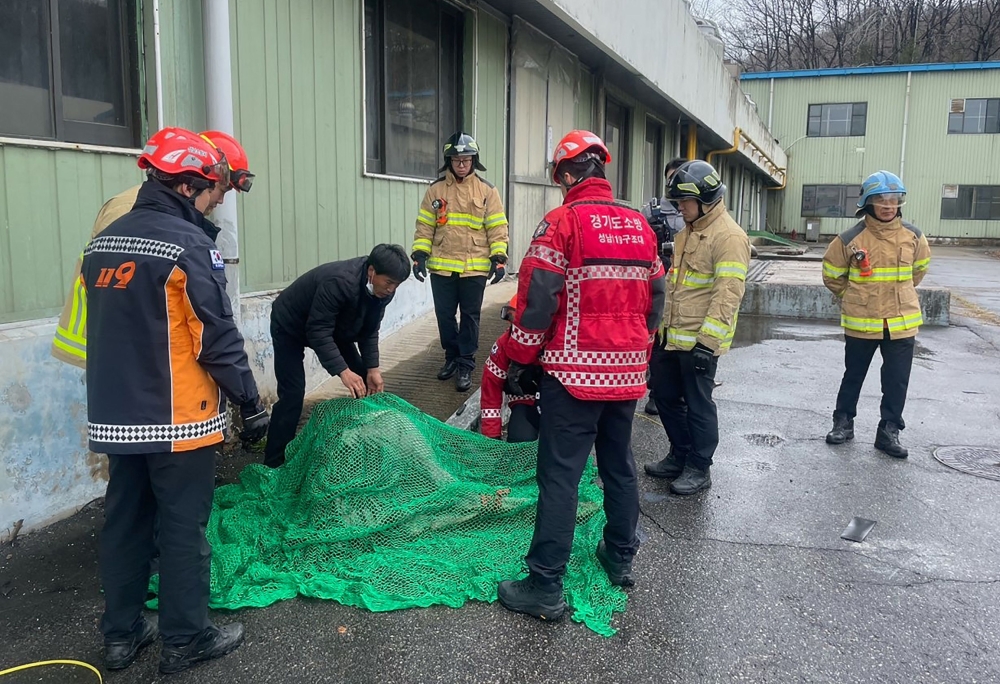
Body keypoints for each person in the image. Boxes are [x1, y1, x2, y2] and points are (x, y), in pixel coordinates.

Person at [82, 128, 269, 675]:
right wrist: (249, 403)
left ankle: (121, 636)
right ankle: (186, 639)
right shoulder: (187, 247)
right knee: (184, 528)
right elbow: (216, 337)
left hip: (116, 417)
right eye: (214, 190)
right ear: (189, 186)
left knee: (125, 522)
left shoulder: (102, 243)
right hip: (179, 419)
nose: (218, 200)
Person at [496, 130, 665, 621]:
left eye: (560, 177)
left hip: (572, 374)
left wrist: (519, 362)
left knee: (560, 477)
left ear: (568, 175)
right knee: (619, 466)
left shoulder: (561, 222)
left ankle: (545, 585)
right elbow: (656, 300)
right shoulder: (639, 224)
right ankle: (619, 556)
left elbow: (535, 305)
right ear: (602, 169)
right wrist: (637, 349)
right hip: (627, 373)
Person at [52, 128, 255, 368]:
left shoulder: (168, 215)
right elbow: (128, 290)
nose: (220, 200)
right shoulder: (131, 210)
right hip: (108, 346)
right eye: (221, 189)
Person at [644, 160, 750, 495]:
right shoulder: (689, 231)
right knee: (664, 397)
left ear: (706, 199)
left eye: (684, 202)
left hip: (698, 342)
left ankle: (699, 467)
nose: (679, 208)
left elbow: (727, 293)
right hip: (671, 337)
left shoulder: (729, 237)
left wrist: (707, 343)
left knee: (698, 404)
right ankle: (680, 454)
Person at [263, 244, 411, 467]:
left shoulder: (382, 292)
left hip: (334, 329)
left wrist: (373, 369)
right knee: (292, 394)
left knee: (365, 381)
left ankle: (367, 446)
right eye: (388, 282)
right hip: (290, 325)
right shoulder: (340, 282)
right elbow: (318, 330)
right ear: (372, 271)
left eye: (396, 285)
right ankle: (274, 463)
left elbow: (369, 330)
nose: (391, 289)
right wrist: (342, 371)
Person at [822, 171, 931, 459]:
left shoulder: (914, 236)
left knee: (896, 381)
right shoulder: (849, 239)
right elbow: (832, 276)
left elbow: (918, 272)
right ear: (867, 203)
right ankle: (843, 423)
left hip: (902, 323)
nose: (888, 205)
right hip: (862, 323)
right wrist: (854, 297)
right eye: (881, 199)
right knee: (853, 376)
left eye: (894, 200)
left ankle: (889, 431)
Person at [411, 132, 509, 392]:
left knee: (470, 317)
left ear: (474, 160)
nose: (461, 164)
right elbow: (425, 226)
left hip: (473, 267)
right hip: (442, 266)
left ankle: (466, 362)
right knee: (444, 316)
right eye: (456, 160)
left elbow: (497, 227)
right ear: (449, 161)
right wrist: (420, 255)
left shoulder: (487, 191)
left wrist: (498, 259)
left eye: (466, 159)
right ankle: (451, 357)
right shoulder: (435, 190)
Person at [641, 157, 689, 415]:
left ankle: (682, 392)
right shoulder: (651, 211)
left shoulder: (699, 209)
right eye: (673, 177)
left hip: (688, 289)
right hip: (658, 284)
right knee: (656, 342)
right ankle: (655, 392)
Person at [480, 295, 539, 443]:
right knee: (520, 439)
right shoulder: (503, 346)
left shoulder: (560, 343)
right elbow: (490, 393)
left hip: (559, 402)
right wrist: (492, 437)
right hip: (525, 400)